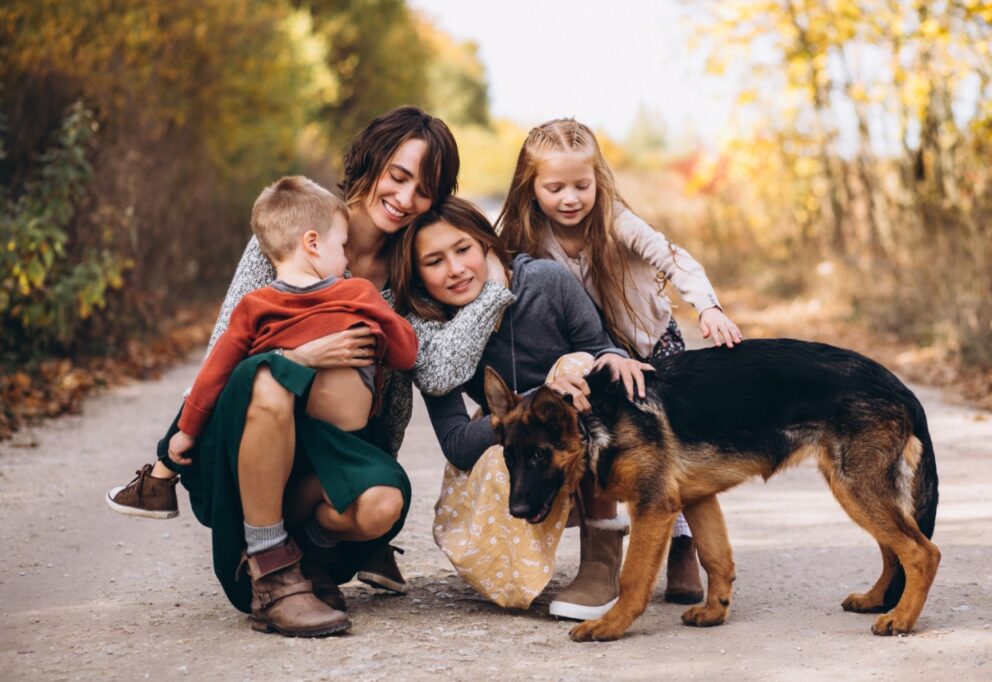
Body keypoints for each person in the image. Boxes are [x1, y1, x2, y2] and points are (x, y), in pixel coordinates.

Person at [106, 107, 503, 637]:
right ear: (371, 161)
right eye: (399, 176)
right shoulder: (298, 226)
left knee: (382, 501)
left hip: (339, 448)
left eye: (424, 189)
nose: (406, 199)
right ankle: (270, 569)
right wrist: (175, 448)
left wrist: (493, 293)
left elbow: (433, 370)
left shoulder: (409, 270)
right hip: (256, 422)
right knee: (273, 374)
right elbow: (227, 342)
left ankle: (311, 559)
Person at [496, 118, 743, 608]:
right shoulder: (522, 234)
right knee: (603, 450)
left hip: (651, 347)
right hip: (595, 352)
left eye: (581, 185)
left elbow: (672, 257)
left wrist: (707, 305)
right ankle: (603, 549)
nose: (570, 198)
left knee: (666, 454)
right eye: (555, 187)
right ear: (531, 188)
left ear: (597, 181)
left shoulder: (615, 222)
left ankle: (682, 547)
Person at [391, 196, 651, 616]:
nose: (455, 269)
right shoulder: (431, 328)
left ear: (486, 246)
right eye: (434, 261)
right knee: (506, 453)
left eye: (463, 250)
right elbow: (457, 443)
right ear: (418, 275)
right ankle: (516, 567)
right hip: (512, 443)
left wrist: (595, 369)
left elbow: (597, 348)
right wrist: (536, 396)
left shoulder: (546, 281)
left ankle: (600, 560)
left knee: (578, 369)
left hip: (570, 429)